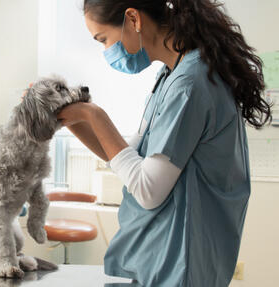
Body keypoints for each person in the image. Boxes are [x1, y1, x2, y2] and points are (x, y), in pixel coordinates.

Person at [56, 0, 272, 286]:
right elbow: (127, 156)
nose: (107, 51)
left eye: (104, 39)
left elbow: (148, 189)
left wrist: (93, 114)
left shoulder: (191, 84)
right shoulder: (171, 75)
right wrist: (71, 119)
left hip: (181, 264)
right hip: (160, 260)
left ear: (133, 18)